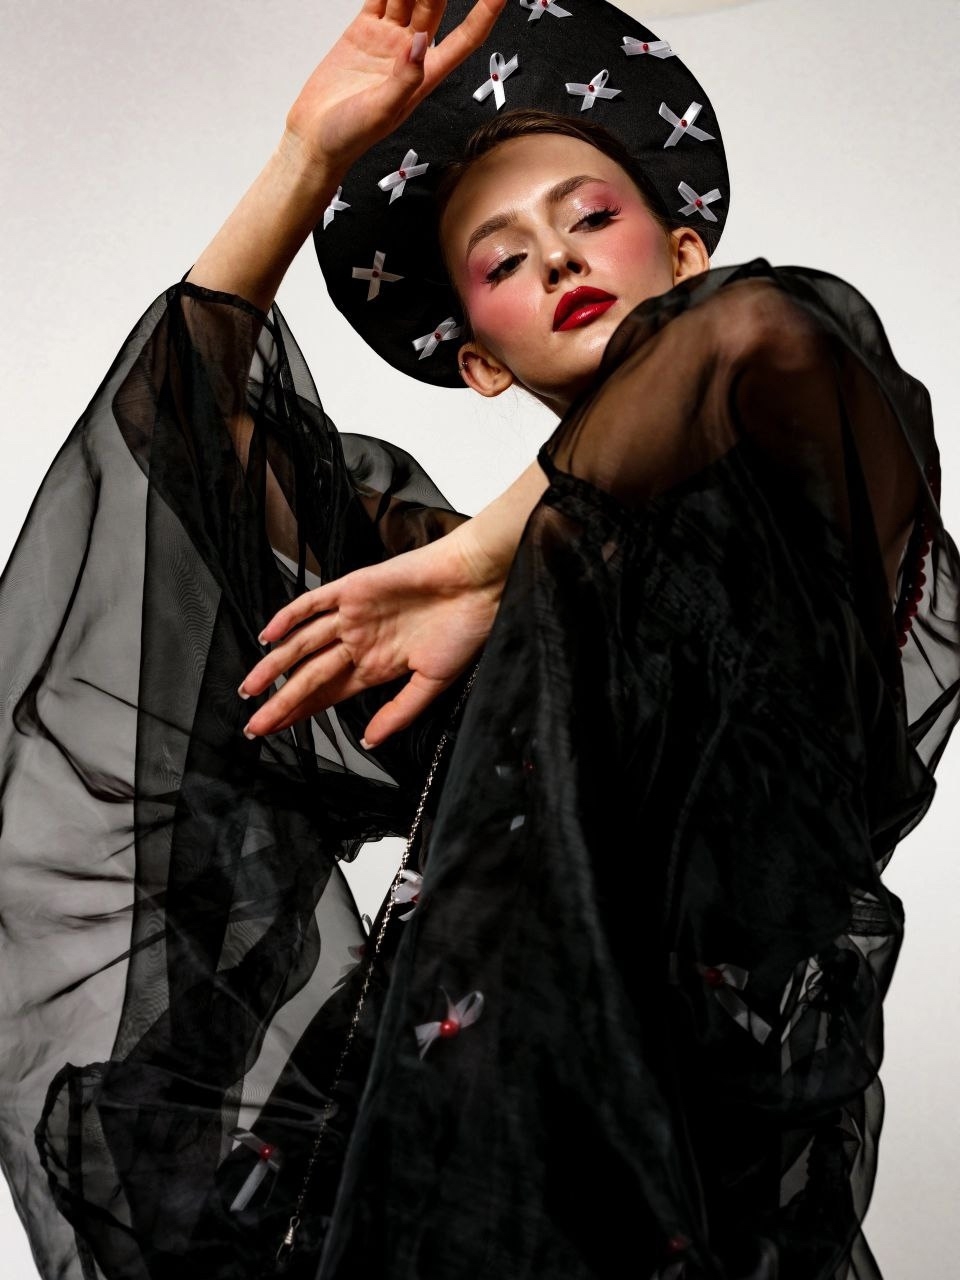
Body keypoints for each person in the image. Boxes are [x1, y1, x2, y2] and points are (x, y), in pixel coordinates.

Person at [0, 2, 958, 1279]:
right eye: (502, 260)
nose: (557, 259)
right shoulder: (433, 606)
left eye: (591, 216)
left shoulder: (803, 493)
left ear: (685, 254)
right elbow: (186, 438)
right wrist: (305, 160)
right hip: (434, 1182)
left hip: (688, 1186)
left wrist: (488, 558)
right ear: (480, 361)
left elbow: (757, 335)